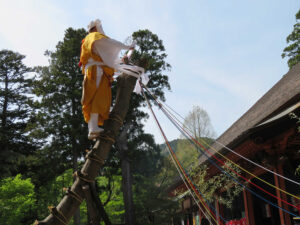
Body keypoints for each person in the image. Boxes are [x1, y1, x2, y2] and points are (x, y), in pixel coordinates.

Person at [79, 19, 134, 139]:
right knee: (98, 97)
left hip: (92, 72)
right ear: (96, 28)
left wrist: (122, 59)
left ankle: (92, 129)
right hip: (97, 71)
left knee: (92, 99)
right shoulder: (95, 36)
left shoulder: (86, 41)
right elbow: (111, 43)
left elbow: (106, 59)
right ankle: (93, 128)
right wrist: (128, 46)